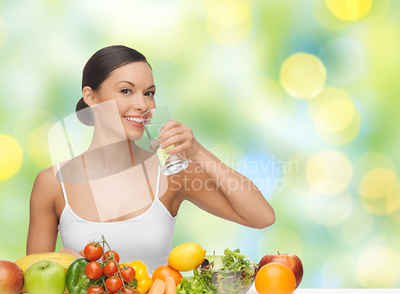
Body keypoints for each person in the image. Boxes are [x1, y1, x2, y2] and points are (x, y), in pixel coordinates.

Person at [27, 45, 275, 273]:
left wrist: (198, 152)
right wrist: (73, 270)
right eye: (126, 91)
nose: (142, 104)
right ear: (91, 97)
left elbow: (262, 217)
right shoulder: (52, 183)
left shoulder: (172, 173)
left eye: (149, 93)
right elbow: (35, 280)